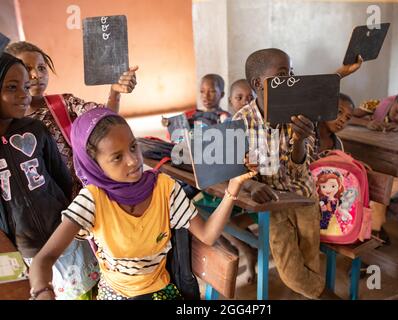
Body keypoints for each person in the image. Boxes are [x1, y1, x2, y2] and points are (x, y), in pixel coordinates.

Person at [28, 107, 256, 300]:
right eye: (117, 157)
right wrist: (42, 291)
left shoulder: (164, 189)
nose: (133, 160)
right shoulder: (93, 201)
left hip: (160, 292)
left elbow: (206, 235)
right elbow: (44, 259)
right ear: (95, 166)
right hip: (115, 294)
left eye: (133, 146)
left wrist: (233, 188)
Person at [233, 48, 362, 299]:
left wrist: (300, 139)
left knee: (310, 259)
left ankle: (312, 295)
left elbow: (299, 167)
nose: (291, 79)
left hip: (305, 198)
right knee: (291, 271)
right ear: (258, 83)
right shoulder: (241, 122)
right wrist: (250, 186)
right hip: (273, 204)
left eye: (292, 73)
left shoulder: (300, 114)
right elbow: (235, 171)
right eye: (283, 75)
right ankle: (328, 296)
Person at [0, 52, 98, 299]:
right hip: (23, 248)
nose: (25, 94)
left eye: (25, 86)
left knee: (87, 293)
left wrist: (65, 216)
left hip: (64, 234)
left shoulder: (35, 129)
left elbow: (61, 177)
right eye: (12, 87)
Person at [5, 41, 138, 198]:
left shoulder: (64, 103)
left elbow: (102, 118)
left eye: (41, 68)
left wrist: (114, 93)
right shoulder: (7, 122)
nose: (37, 75)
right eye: (27, 68)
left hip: (82, 196)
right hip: (43, 207)